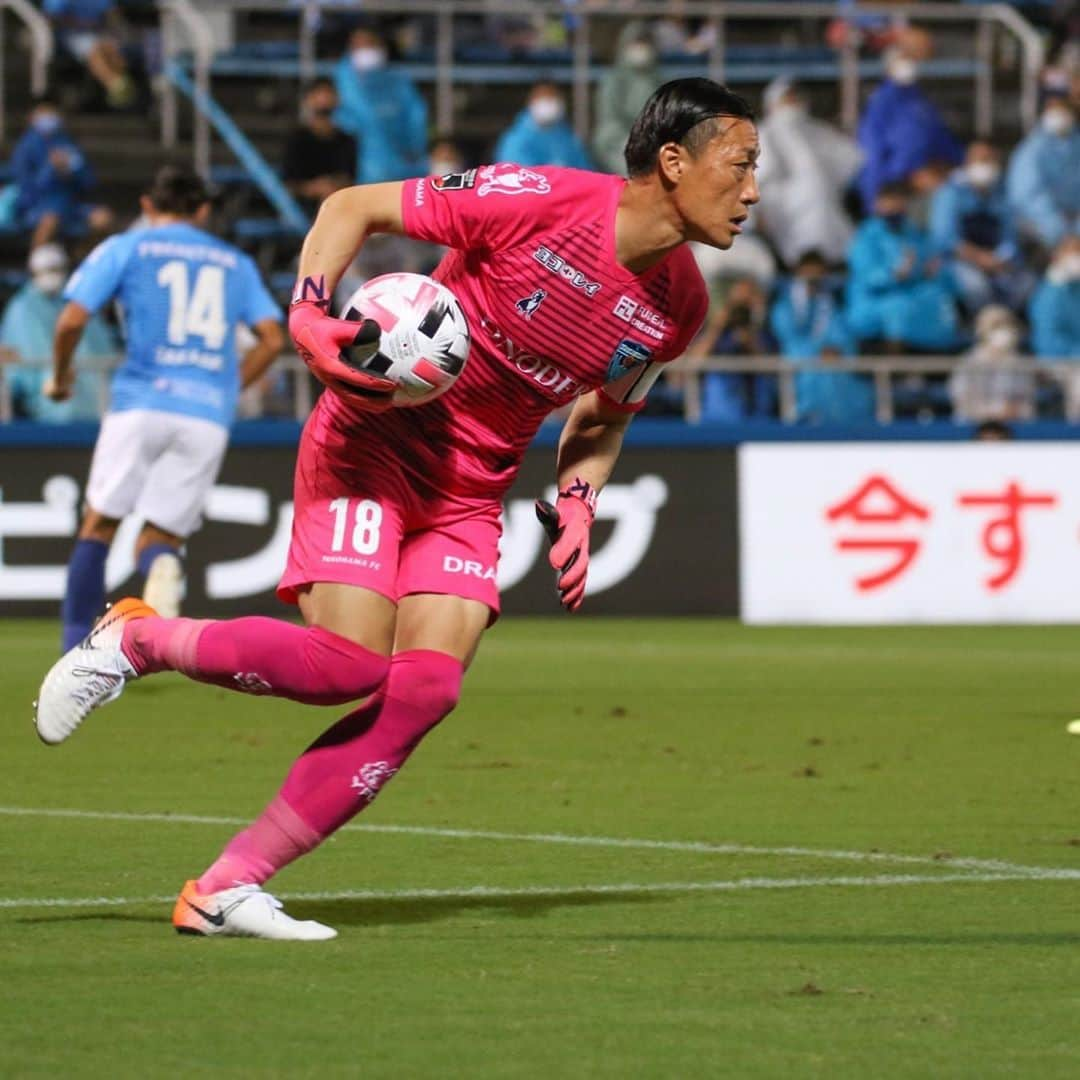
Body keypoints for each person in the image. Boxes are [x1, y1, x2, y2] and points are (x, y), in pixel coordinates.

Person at [34, 78, 755, 941]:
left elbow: (603, 416)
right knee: (345, 665)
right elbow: (351, 207)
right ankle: (137, 639)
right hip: (373, 442)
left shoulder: (679, 308)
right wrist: (306, 316)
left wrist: (577, 496)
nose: (753, 192)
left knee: (426, 687)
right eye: (742, 165)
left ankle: (227, 886)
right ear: (673, 163)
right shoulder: (541, 200)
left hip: (471, 489)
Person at [42, 165, 284, 649]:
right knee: (161, 536)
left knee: (100, 521)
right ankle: (164, 569)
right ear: (203, 209)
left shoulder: (127, 247)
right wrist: (228, 388)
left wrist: (63, 374)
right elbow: (273, 339)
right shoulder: (235, 263)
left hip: (142, 401)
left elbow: (70, 321)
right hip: (207, 415)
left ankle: (74, 646)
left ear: (148, 206)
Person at [0, 244, 118, 423]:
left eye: (56, 269)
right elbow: (18, 370)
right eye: (46, 270)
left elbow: (103, 348)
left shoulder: (78, 303)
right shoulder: (22, 308)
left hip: (98, 407)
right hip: (52, 411)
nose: (52, 275)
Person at [754, 76, 862, 268]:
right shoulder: (763, 133)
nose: (792, 104)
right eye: (787, 98)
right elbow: (758, 174)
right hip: (783, 206)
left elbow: (850, 160)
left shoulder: (819, 131)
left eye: (795, 98)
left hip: (823, 204)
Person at [845, 181, 961, 352]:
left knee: (937, 299)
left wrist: (930, 271)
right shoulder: (866, 237)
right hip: (874, 299)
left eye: (899, 207)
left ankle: (934, 362)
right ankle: (896, 364)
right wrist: (895, 274)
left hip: (911, 293)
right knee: (898, 309)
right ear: (878, 206)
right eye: (889, 207)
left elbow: (927, 262)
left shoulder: (913, 234)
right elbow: (867, 276)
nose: (894, 212)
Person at [856, 37, 963, 211]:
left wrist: (950, 167)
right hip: (896, 183)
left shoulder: (921, 101)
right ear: (889, 66)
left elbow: (941, 138)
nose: (909, 65)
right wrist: (874, 197)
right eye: (903, 60)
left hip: (927, 179)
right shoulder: (881, 102)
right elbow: (871, 153)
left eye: (911, 60)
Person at [770, 250, 872, 425]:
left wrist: (836, 348)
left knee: (847, 381)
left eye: (818, 279)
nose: (813, 284)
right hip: (802, 371)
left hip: (836, 371)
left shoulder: (831, 306)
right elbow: (788, 339)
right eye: (808, 279)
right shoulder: (785, 307)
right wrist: (817, 352)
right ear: (798, 276)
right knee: (815, 377)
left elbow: (844, 337)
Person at [930, 141, 1033, 314]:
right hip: (958, 262)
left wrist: (1002, 259)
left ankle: (1004, 324)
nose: (986, 164)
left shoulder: (1003, 193)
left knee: (1027, 283)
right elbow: (945, 239)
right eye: (981, 159)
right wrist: (980, 259)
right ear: (968, 162)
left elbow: (1010, 236)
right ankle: (980, 325)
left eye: (991, 160)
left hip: (996, 260)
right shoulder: (950, 193)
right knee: (976, 287)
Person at [12, 96, 112, 249]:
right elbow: (27, 188)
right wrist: (51, 169)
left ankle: (83, 259)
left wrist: (73, 172)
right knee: (50, 220)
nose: (49, 117)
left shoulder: (68, 142)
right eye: (43, 112)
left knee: (103, 219)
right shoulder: (25, 147)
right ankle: (36, 265)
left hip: (72, 205)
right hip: (39, 205)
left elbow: (89, 181)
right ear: (32, 117)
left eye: (52, 112)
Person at [333, 26, 427, 183]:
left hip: (401, 168)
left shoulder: (398, 80)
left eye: (370, 44)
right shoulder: (342, 81)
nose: (365, 49)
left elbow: (416, 118)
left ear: (382, 46)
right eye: (359, 45)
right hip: (357, 172)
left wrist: (414, 149)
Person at [686, 277, 777, 421]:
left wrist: (750, 336)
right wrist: (718, 325)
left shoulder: (764, 332)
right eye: (737, 304)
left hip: (754, 414)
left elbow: (768, 366)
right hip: (715, 415)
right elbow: (694, 361)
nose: (740, 310)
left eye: (746, 303)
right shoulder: (715, 332)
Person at [1006, 94, 1080, 254]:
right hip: (1040, 225)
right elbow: (1026, 196)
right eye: (1054, 110)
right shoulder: (1031, 150)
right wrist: (1061, 232)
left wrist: (1077, 232)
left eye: (1063, 110)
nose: (1059, 114)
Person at [592, 22, 664, 175]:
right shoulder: (613, 80)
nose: (641, 48)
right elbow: (609, 120)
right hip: (618, 142)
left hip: (655, 143)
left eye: (645, 43)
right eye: (636, 43)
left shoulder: (659, 80)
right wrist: (634, 140)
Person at [948, 304, 1036, 424]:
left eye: (1007, 324)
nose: (1003, 330)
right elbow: (961, 398)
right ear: (982, 329)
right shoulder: (969, 362)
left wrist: (1009, 412)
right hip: (974, 426)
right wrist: (989, 413)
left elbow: (1026, 399)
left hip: (1013, 426)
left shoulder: (1019, 363)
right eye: (996, 325)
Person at [282, 79, 357, 214]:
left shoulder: (347, 140)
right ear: (308, 100)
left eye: (328, 93)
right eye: (318, 94)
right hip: (305, 204)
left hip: (339, 200)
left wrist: (332, 186)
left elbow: (349, 177)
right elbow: (290, 182)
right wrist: (315, 188)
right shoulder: (296, 139)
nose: (324, 98)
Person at [43, 0, 135, 109]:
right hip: (69, 35)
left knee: (111, 48)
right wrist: (81, 23)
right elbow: (51, 18)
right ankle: (114, 85)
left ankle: (123, 85)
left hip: (98, 33)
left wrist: (115, 30)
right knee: (94, 50)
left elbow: (112, 15)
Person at [1028, 235, 1080, 416]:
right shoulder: (1048, 293)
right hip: (1058, 360)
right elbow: (1048, 338)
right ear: (1058, 256)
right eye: (1073, 252)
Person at [493, 82, 592, 169]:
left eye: (553, 97)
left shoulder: (567, 137)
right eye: (545, 97)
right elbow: (518, 177)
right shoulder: (516, 140)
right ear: (531, 102)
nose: (550, 102)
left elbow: (586, 171)